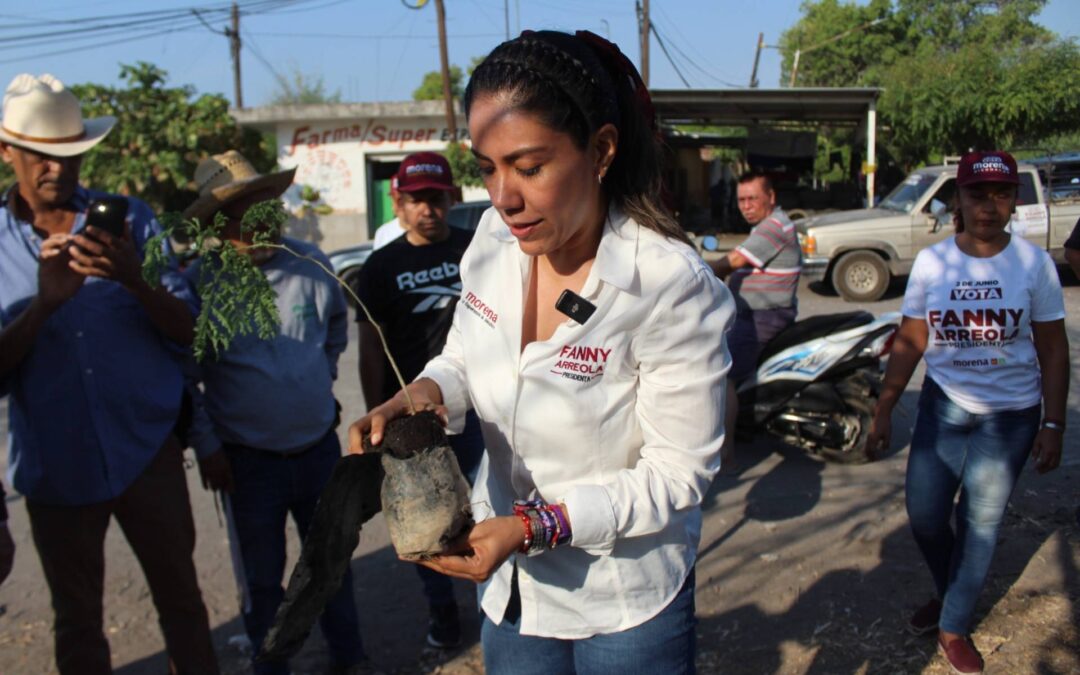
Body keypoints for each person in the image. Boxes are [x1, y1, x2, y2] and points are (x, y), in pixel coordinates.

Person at [349, 30, 732, 674]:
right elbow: (467, 353)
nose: (503, 198)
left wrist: (532, 527)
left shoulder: (669, 285)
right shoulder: (496, 240)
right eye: (487, 168)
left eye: (529, 167)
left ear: (601, 150)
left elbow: (677, 474)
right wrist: (423, 392)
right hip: (514, 593)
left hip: (622, 598)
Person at [0, 74, 218, 674]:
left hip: (145, 450)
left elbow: (189, 333)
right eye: (42, 156)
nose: (57, 170)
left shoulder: (134, 223)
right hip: (55, 465)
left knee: (182, 601)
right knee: (77, 622)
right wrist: (44, 304)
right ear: (6, 152)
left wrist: (134, 279)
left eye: (71, 156)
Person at [866, 151, 1069, 675]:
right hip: (944, 409)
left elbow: (1051, 347)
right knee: (927, 516)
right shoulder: (933, 263)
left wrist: (1054, 423)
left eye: (1001, 194)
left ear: (1014, 200)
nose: (989, 205)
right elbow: (912, 338)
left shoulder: (1033, 264)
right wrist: (886, 407)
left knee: (980, 524)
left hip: (1011, 418)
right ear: (957, 198)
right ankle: (950, 591)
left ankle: (953, 625)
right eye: (977, 194)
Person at [182, 151, 368, 675]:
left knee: (330, 566)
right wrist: (208, 444)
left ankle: (350, 659)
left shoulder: (311, 263)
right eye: (248, 211)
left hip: (317, 449)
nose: (265, 221)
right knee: (263, 582)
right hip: (246, 463)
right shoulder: (200, 282)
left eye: (269, 207)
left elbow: (335, 330)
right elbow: (187, 374)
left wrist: (318, 377)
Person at [353, 151, 483, 649]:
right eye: (416, 200)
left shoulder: (478, 251)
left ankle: (493, 605)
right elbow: (369, 345)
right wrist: (375, 415)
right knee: (427, 524)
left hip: (478, 410)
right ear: (398, 203)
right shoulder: (381, 267)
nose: (428, 209)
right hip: (411, 420)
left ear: (451, 198)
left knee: (486, 508)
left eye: (436, 198)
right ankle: (443, 614)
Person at [708, 171, 801, 466]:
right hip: (752, 313)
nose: (746, 205)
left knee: (725, 375)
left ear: (770, 198)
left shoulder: (774, 227)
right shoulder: (766, 226)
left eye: (752, 199)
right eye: (741, 200)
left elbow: (732, 261)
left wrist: (695, 271)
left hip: (762, 316)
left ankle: (726, 453)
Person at [372, 176, 406, 250]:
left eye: (401, 198)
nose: (398, 203)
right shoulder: (383, 232)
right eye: (394, 198)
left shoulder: (424, 231)